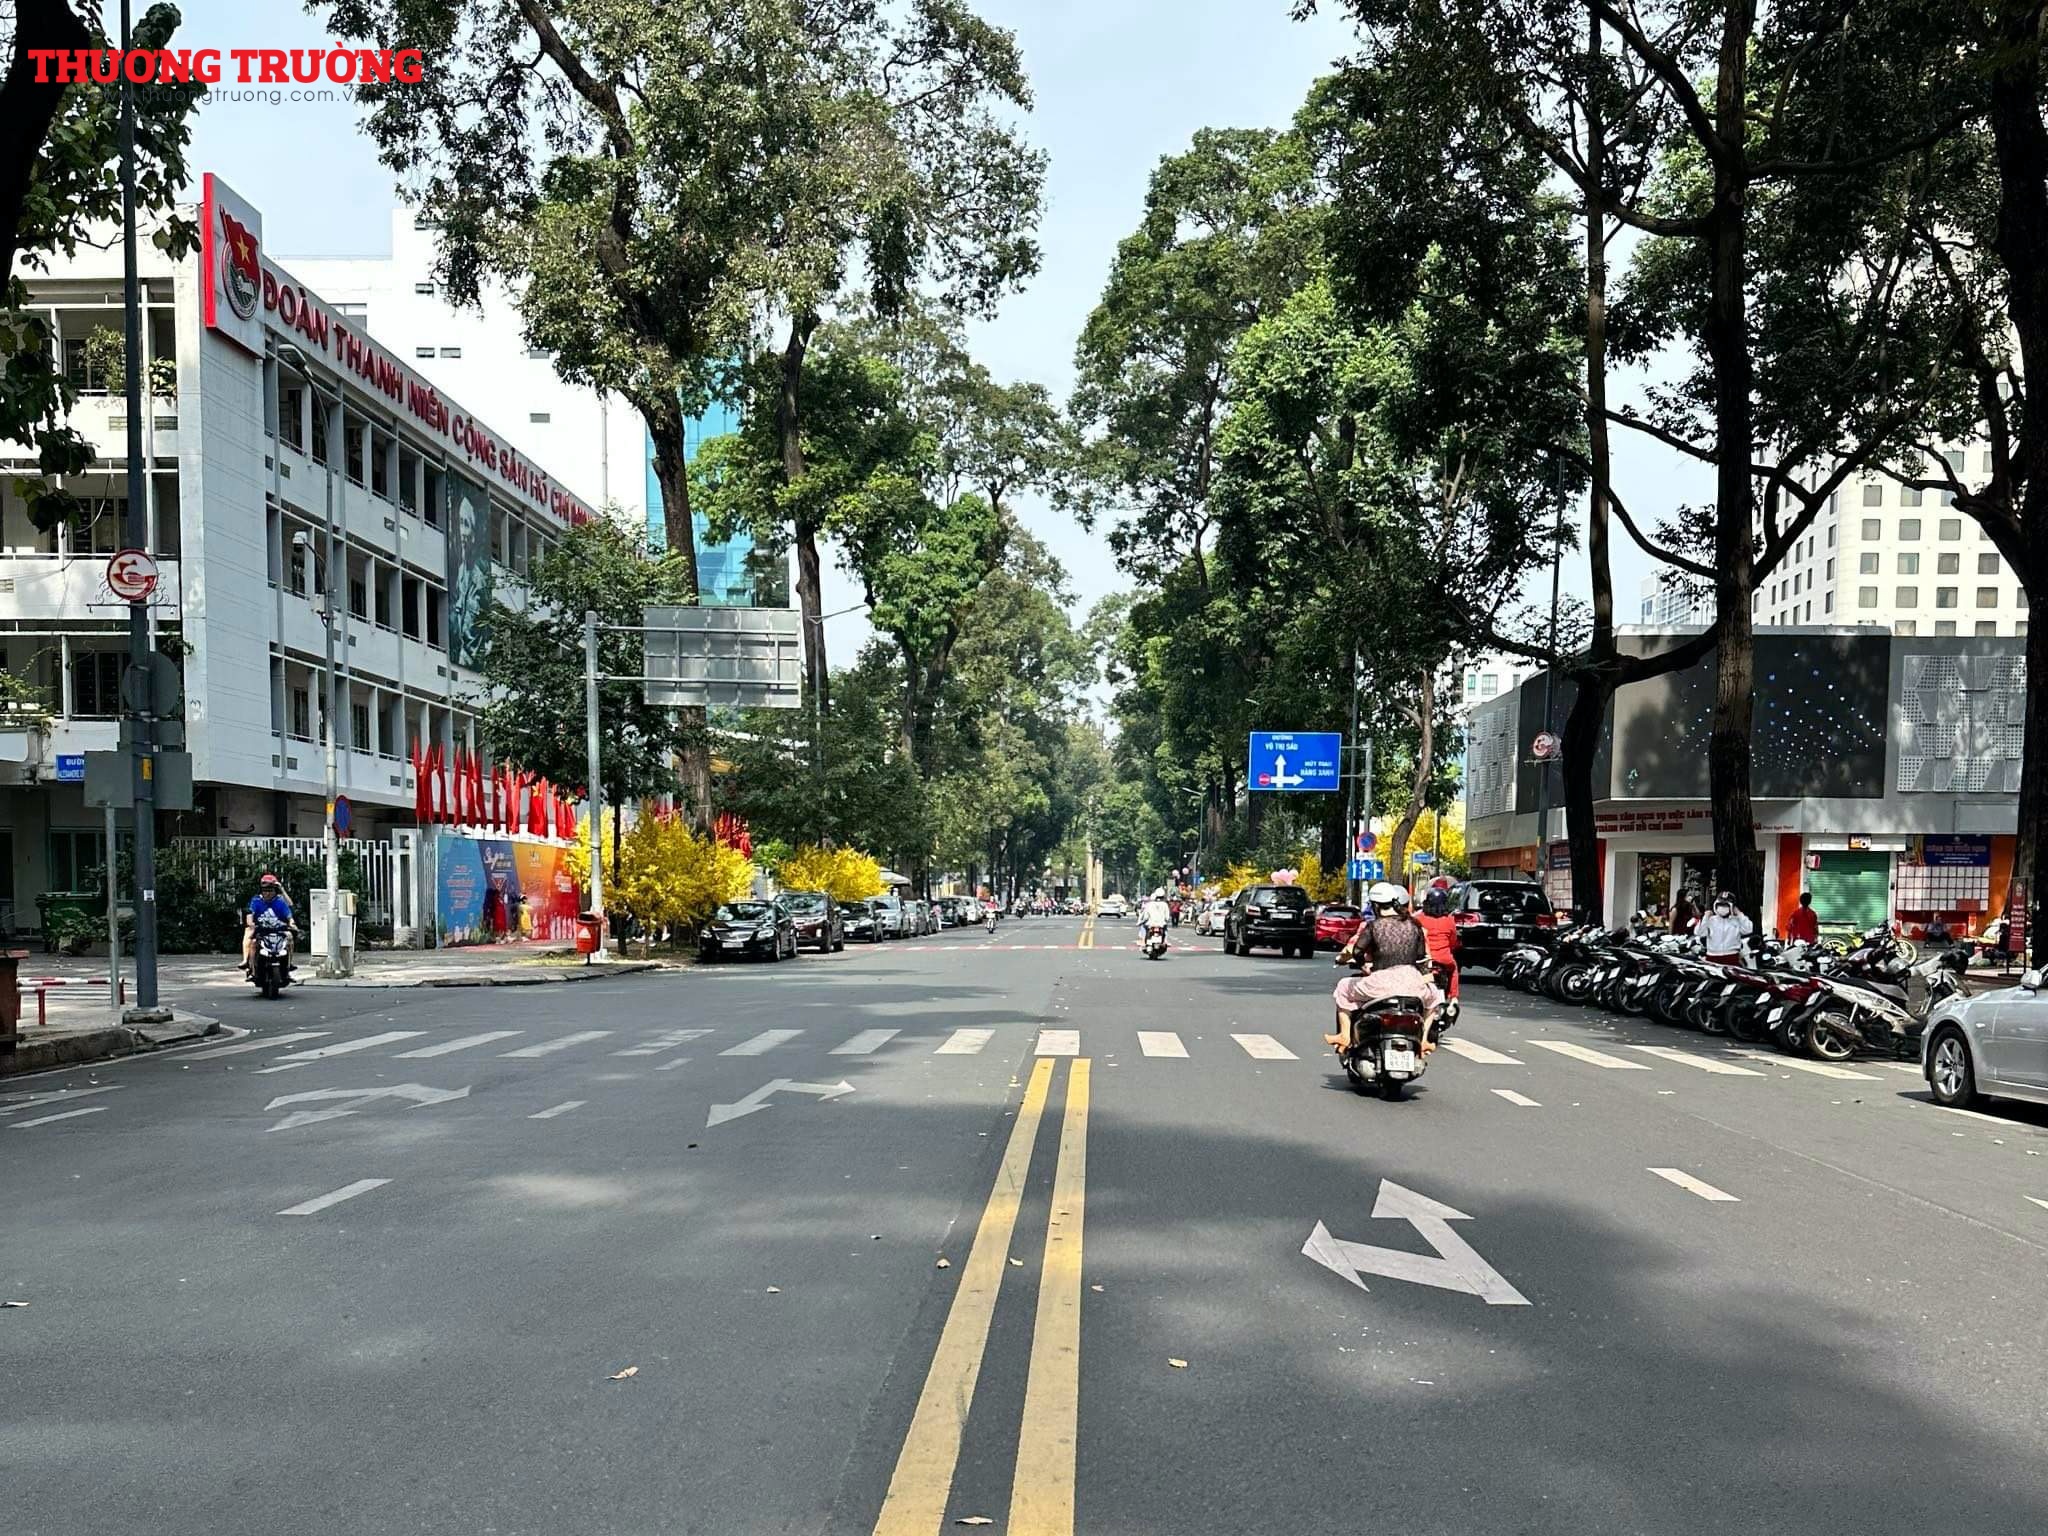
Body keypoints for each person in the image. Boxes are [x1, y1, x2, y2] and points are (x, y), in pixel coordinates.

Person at [1330, 882, 1441, 1050]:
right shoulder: (1415, 925)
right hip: (1412, 983)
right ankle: (1424, 1040)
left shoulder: (1374, 926)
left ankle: (1344, 1036)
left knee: (1343, 987)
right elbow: (1420, 957)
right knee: (1435, 996)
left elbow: (1358, 951)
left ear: (1375, 905)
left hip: (1379, 983)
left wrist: (1364, 966)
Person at [241, 872, 295, 973]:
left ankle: (288, 964)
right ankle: (249, 964)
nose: (268, 893)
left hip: (278, 929)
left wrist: (292, 924)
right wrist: (251, 924)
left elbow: (289, 912)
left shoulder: (280, 901)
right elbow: (250, 915)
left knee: (289, 937)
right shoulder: (256, 900)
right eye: (265, 890)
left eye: (271, 890)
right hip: (261, 929)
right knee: (251, 937)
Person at [1415, 885, 1461, 1002]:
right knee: (1454, 969)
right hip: (1444, 959)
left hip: (1424, 959)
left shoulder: (1418, 919)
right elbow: (1453, 941)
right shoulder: (1449, 920)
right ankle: (1454, 998)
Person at [1692, 891, 1753, 965]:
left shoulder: (1736, 921)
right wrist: (1705, 917)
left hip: (1731, 956)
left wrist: (1739, 914)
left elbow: (1748, 929)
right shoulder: (1711, 920)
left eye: (1725, 905)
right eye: (1720, 905)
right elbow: (1699, 932)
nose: (1722, 907)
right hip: (1712, 957)